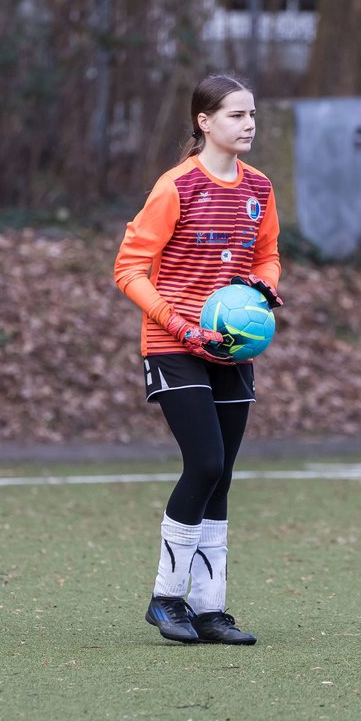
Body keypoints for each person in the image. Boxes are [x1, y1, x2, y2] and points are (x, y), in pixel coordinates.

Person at [113, 73, 282, 645]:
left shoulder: (259, 186)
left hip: (229, 350)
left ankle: (210, 610)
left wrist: (263, 287)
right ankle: (166, 599)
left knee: (223, 477)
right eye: (236, 115)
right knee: (205, 464)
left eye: (252, 114)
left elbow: (269, 257)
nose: (249, 124)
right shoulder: (176, 187)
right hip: (174, 345)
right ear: (204, 122)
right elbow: (128, 269)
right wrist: (181, 325)